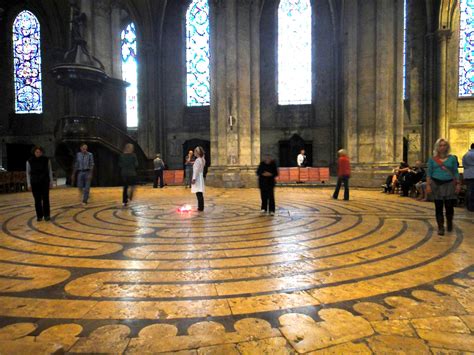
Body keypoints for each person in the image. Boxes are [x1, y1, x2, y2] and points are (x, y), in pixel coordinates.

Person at [426, 138, 461, 235]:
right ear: (437, 147)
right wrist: (428, 185)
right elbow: (429, 173)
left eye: (444, 145)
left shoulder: (452, 159)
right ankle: (440, 227)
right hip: (436, 184)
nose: (442, 147)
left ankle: (449, 221)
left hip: (449, 184)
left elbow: (455, 172)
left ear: (447, 147)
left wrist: (458, 184)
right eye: (440, 145)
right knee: (438, 207)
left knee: (449, 206)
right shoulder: (432, 159)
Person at [26, 146, 53, 221]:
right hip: (35, 182)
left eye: (39, 152)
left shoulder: (47, 160)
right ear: (34, 152)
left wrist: (51, 181)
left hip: (45, 182)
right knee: (37, 200)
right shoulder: (29, 161)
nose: (38, 153)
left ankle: (47, 215)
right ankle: (39, 216)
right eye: (36, 152)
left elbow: (50, 171)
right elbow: (28, 173)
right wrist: (28, 184)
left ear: (42, 152)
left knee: (45, 199)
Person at [191, 146, 206, 211]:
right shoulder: (202, 159)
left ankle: (200, 207)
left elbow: (196, 170)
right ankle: (201, 206)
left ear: (197, 152)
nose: (194, 153)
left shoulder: (197, 160)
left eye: (195, 152)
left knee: (198, 193)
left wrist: (194, 178)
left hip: (197, 177)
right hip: (200, 176)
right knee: (200, 192)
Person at [462, 143, 474, 211]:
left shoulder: (466, 154)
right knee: (472, 191)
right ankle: (471, 206)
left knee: (469, 190)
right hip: (473, 174)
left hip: (467, 174)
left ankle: (468, 205)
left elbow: (464, 165)